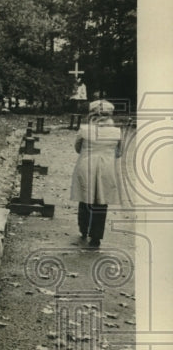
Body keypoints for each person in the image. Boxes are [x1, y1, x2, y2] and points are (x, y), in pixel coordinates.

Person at [70, 99, 122, 248]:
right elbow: (119, 153)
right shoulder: (117, 132)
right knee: (101, 201)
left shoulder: (84, 129)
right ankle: (96, 237)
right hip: (106, 167)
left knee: (85, 196)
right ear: (110, 115)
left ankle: (83, 228)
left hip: (86, 164)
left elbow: (78, 148)